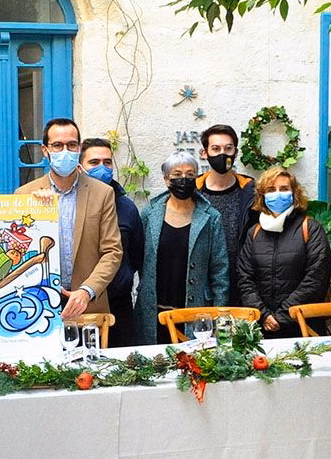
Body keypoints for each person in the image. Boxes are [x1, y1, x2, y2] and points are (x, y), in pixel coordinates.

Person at [15, 118, 123, 321]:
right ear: (45, 151)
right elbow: (18, 252)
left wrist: (87, 290)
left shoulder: (102, 193)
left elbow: (112, 252)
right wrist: (36, 211)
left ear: (79, 149)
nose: (65, 151)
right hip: (38, 306)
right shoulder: (25, 195)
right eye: (57, 145)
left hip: (88, 305)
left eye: (71, 145)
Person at [135, 150, 229, 345]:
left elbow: (220, 271)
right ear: (166, 179)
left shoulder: (211, 217)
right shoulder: (150, 214)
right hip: (155, 312)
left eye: (190, 174)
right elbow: (139, 261)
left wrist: (219, 316)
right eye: (177, 175)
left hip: (195, 313)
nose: (184, 180)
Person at [234, 167, 331, 338]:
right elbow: (244, 278)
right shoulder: (254, 233)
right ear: (262, 196)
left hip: (304, 327)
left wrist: (282, 316)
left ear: (294, 193)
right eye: (271, 190)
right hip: (262, 328)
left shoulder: (310, 228)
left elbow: (316, 279)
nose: (278, 194)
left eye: (284, 189)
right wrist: (264, 315)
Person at [79, 138, 145, 346]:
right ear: (80, 167)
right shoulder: (71, 203)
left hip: (118, 304)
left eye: (107, 162)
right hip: (79, 304)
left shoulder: (126, 207)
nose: (102, 168)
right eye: (94, 162)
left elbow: (136, 255)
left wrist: (122, 278)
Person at [194, 124, 257, 304]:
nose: (223, 154)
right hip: (205, 283)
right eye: (215, 149)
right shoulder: (194, 192)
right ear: (204, 153)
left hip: (245, 281)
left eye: (228, 148)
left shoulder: (251, 191)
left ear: (235, 152)